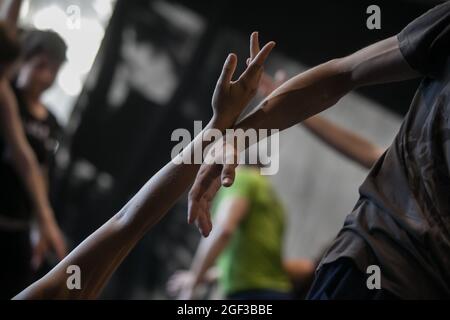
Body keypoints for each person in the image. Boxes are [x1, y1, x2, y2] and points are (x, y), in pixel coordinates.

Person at [188, 2, 450, 299]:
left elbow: (222, 231)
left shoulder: (248, 185)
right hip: (374, 267)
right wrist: (238, 135)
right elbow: (345, 76)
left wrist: (194, 282)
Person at [13, 32, 276, 299]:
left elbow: (130, 222)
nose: (46, 78)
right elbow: (131, 223)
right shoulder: (254, 184)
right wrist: (223, 124)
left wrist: (222, 124)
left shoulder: (243, 181)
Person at [0, 0, 66, 299]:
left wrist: (42, 222)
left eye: (53, 70)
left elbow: (39, 170)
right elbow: (7, 32)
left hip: (16, 228)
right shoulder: (6, 93)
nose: (45, 77)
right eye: (40, 65)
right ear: (22, 60)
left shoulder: (52, 123)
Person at [169, 162, 295, 300]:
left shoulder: (240, 178)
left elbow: (223, 230)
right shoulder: (272, 199)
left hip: (253, 294)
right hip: (274, 290)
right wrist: (204, 276)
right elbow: (253, 261)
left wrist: (193, 282)